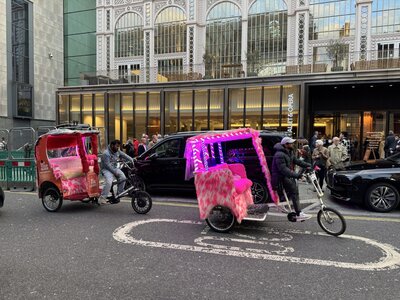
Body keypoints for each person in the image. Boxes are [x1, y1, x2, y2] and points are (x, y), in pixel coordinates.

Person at [271, 137, 312, 221]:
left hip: (287, 175)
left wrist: (308, 165)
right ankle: (299, 213)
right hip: (281, 177)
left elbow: (297, 161)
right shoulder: (279, 154)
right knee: (294, 192)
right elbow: (283, 170)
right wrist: (297, 175)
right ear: (286, 145)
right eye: (291, 143)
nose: (293, 144)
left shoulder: (289, 152)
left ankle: (282, 204)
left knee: (292, 192)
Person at [99, 140, 134, 205]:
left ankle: (119, 194)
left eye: (118, 146)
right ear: (112, 145)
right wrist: (116, 172)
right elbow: (108, 166)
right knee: (109, 182)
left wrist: (131, 159)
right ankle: (102, 198)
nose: (118, 148)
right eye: (117, 146)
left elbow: (123, 155)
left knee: (123, 177)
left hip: (114, 168)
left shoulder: (117, 151)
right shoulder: (106, 154)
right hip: (106, 170)